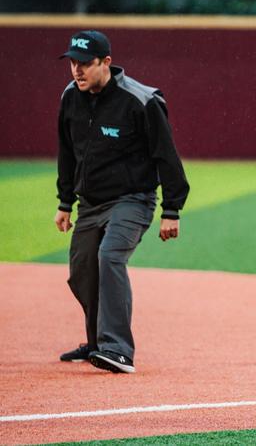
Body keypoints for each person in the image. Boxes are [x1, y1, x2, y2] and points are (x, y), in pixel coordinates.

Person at [55, 30, 190, 374]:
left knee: (109, 257)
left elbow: (167, 157)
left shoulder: (140, 101)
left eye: (85, 64)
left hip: (133, 199)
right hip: (90, 204)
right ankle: (97, 343)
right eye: (73, 63)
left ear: (107, 63)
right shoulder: (70, 98)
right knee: (82, 271)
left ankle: (118, 349)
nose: (77, 71)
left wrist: (171, 210)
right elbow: (68, 153)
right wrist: (65, 201)